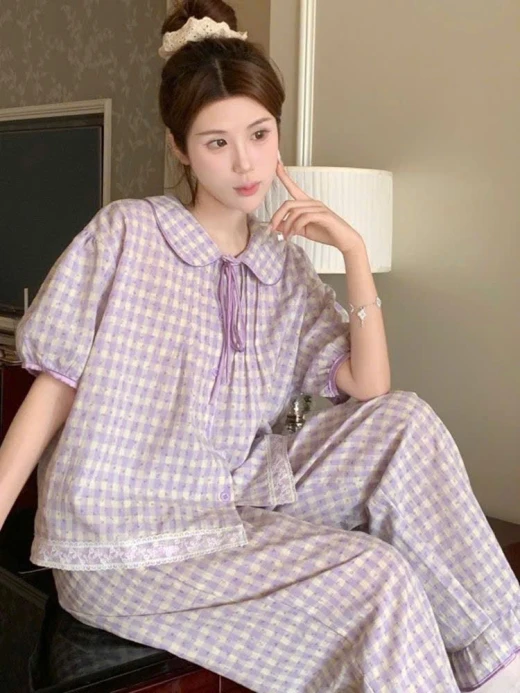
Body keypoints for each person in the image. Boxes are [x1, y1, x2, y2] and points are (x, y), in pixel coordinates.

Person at [0, 1, 518, 690]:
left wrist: (354, 253)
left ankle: (502, 668)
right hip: (125, 538)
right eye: (216, 142)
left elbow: (369, 387)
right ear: (180, 147)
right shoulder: (126, 234)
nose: (245, 162)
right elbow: (54, 388)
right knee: (378, 575)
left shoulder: (282, 264)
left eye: (259, 133)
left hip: (238, 495)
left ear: (277, 130)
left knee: (406, 421)